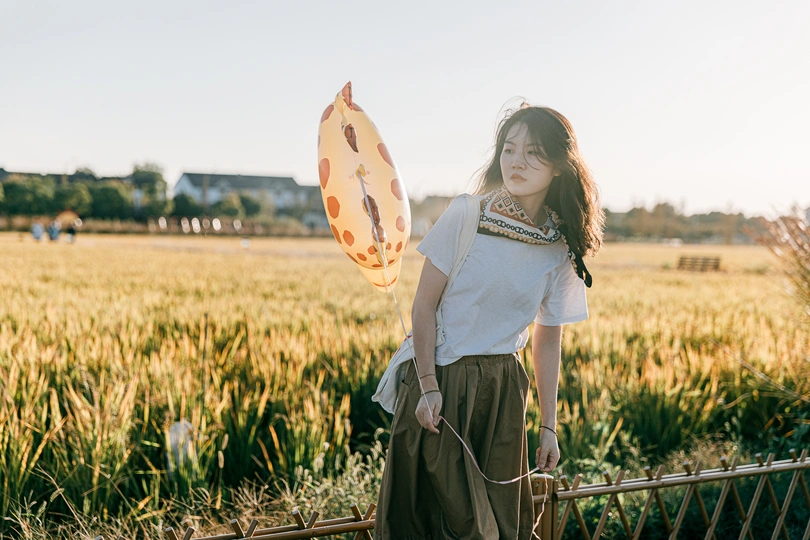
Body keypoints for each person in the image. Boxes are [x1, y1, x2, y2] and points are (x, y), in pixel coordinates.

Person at [374, 104, 604, 539]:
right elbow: (423, 306)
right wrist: (427, 385)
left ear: (559, 165)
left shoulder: (561, 246)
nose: (516, 161)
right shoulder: (468, 215)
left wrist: (549, 426)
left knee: (500, 524)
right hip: (442, 383)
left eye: (533, 152)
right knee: (449, 524)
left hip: (503, 392)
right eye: (509, 149)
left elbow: (547, 339)